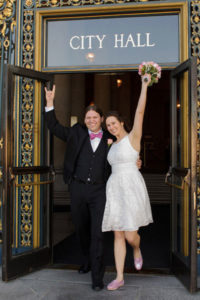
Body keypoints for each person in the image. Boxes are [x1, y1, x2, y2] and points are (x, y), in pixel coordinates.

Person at [44, 85, 141, 291]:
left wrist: (138, 161)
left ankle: (97, 278)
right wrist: (50, 102)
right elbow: (53, 126)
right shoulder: (76, 132)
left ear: (101, 119)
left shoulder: (111, 136)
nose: (91, 120)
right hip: (77, 189)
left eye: (95, 117)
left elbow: (128, 150)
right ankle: (87, 260)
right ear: (84, 119)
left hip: (100, 191)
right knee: (80, 230)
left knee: (98, 234)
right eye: (88, 118)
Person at [102, 74, 153, 291]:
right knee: (118, 232)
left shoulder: (134, 137)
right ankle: (120, 276)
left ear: (121, 122)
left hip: (132, 188)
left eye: (113, 123)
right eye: (108, 125)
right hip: (114, 189)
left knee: (131, 234)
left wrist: (144, 85)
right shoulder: (110, 145)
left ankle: (137, 249)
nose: (111, 127)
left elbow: (140, 112)